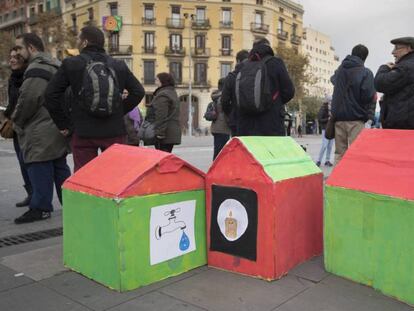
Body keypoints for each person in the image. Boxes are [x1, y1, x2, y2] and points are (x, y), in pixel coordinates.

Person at [45, 26, 145, 171]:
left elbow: (50, 94)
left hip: (83, 131)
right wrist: (118, 110)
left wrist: (63, 124)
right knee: (115, 176)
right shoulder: (118, 65)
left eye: (79, 40)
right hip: (114, 131)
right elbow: (138, 91)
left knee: (85, 177)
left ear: (85, 42)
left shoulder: (71, 63)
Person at [12, 33, 71, 224]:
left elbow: (28, 99)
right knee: (59, 167)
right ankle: (71, 205)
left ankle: (40, 207)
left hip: (40, 129)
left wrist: (16, 121)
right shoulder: (56, 64)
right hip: (55, 126)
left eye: (19, 48)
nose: (17, 53)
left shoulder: (37, 67)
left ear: (31, 48)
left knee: (39, 167)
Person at [232, 38, 294, 136]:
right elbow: (289, 91)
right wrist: (275, 102)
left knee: (250, 151)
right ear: (268, 47)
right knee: (270, 151)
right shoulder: (276, 63)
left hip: (245, 125)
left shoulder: (242, 66)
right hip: (271, 124)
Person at [331, 44, 376, 164]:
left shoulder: (340, 70)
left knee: (339, 153)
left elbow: (333, 80)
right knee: (356, 154)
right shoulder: (366, 73)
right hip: (356, 119)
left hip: (338, 119)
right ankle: (352, 182)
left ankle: (337, 181)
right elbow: (367, 96)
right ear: (365, 58)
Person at [3, 48, 32, 208]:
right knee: (22, 162)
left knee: (29, 162)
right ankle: (31, 193)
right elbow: (13, 102)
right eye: (11, 57)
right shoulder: (12, 78)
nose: (12, 60)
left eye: (15, 57)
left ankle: (37, 196)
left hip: (27, 126)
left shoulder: (28, 76)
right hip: (16, 126)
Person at [374, 37, 414, 129]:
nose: (393, 52)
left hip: (402, 126)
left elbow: (380, 84)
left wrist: (384, 67)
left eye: (396, 48)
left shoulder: (406, 67)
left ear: (409, 48)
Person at [144, 72, 181, 153]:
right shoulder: (172, 92)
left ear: (163, 81)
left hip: (164, 134)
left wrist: (159, 133)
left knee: (162, 159)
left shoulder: (163, 95)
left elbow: (161, 115)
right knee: (166, 158)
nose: (155, 82)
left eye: (157, 80)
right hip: (170, 132)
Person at [221, 49, 249, 136]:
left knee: (237, 146)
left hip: (236, 119)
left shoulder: (231, 77)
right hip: (252, 120)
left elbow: (224, 100)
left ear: (237, 61)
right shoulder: (254, 74)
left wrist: (231, 112)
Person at [210, 78, 231, 160]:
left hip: (216, 126)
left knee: (218, 150)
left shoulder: (215, 95)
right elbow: (225, 109)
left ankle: (215, 167)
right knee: (221, 152)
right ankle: (216, 169)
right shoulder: (223, 96)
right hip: (223, 127)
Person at [316, 96, 334, 167]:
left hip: (332, 130)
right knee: (324, 145)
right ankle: (319, 160)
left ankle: (327, 160)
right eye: (330, 101)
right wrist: (328, 119)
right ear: (327, 101)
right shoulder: (323, 108)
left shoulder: (333, 109)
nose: (331, 103)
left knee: (330, 146)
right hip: (325, 129)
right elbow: (320, 119)